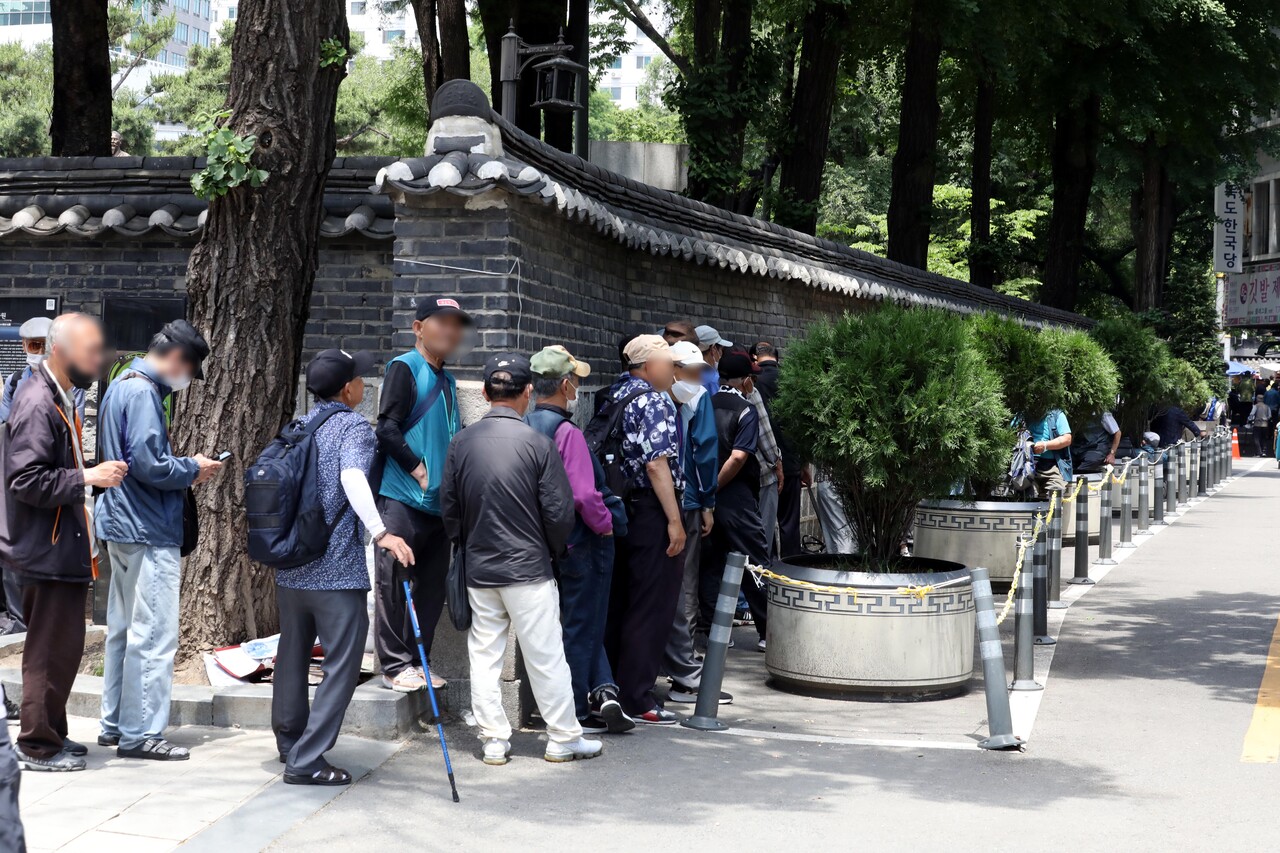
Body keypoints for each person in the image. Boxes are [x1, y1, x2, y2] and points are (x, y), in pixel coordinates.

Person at [442, 354, 602, 765]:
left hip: (480, 567)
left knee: (484, 654)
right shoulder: (538, 443)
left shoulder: (461, 442)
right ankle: (563, 737)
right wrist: (553, 550)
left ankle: (494, 739)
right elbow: (559, 513)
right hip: (529, 568)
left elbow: (450, 508)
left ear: (484, 393)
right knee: (546, 654)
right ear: (528, 393)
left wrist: (465, 544)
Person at [273, 350, 415, 785]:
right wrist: (381, 533)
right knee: (341, 665)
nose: (362, 385)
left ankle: (290, 744)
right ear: (348, 388)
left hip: (291, 565)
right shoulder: (353, 426)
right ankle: (308, 760)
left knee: (292, 657)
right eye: (360, 378)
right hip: (335, 570)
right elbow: (353, 478)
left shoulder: (298, 425)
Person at [0, 314, 128, 772]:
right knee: (48, 651)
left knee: (64, 646)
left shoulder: (56, 394)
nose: (98, 358)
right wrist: (87, 477)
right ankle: (37, 745)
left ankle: (52, 732)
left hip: (58, 543)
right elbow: (25, 479)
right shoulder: (38, 401)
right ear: (59, 350)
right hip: (45, 547)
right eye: (90, 350)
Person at [94, 320, 223, 761]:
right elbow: (150, 464)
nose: (186, 380)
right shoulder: (145, 392)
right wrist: (193, 468)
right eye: (189, 369)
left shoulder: (119, 382)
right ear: (177, 359)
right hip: (148, 527)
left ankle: (115, 724)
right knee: (153, 636)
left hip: (120, 523)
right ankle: (142, 733)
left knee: (123, 631)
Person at [526, 345, 633, 735]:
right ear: (566, 385)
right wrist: (604, 523)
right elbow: (584, 495)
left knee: (574, 623)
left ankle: (603, 691)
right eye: (576, 382)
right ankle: (575, 707)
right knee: (583, 624)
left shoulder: (527, 426)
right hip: (583, 540)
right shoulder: (566, 431)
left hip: (548, 541)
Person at [374, 296, 468, 693]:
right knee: (395, 580)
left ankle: (418, 661)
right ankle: (395, 666)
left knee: (430, 587)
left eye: (456, 324)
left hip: (438, 506)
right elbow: (387, 428)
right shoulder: (405, 367)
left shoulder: (446, 379)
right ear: (418, 328)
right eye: (441, 322)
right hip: (403, 497)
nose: (450, 331)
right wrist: (418, 468)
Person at [603, 335, 687, 725]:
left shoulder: (614, 394)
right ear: (647, 366)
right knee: (651, 604)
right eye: (667, 362)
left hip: (620, 510)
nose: (673, 369)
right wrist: (674, 520)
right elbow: (657, 465)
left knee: (621, 600)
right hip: (652, 510)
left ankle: (612, 688)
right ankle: (638, 696)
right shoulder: (653, 400)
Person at [661, 341, 728, 705]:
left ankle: (663, 667)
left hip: (654, 504)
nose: (697, 377)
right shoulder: (699, 398)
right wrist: (707, 503)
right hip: (684, 502)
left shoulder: (649, 394)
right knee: (684, 585)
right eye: (691, 370)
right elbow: (705, 450)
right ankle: (684, 673)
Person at [701, 350, 770, 651]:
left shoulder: (704, 406)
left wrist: (706, 491)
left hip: (704, 498)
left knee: (711, 564)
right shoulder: (745, 411)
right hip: (735, 498)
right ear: (744, 381)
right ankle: (768, 630)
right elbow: (740, 456)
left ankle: (716, 632)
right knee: (756, 562)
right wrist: (716, 487)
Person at [753, 342, 803, 558]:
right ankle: (792, 572)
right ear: (777, 357)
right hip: (792, 461)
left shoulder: (753, 382)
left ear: (755, 358)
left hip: (763, 464)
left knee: (764, 522)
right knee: (790, 523)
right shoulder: (792, 379)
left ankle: (768, 570)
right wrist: (805, 464)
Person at [1, 316, 84, 424]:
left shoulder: (70, 383)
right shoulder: (13, 382)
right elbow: (5, 423)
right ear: (24, 346)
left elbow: (75, 423)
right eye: (34, 345)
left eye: (46, 346)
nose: (41, 352)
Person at [1027, 408, 1073, 496]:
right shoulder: (1022, 415)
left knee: (1055, 497)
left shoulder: (1056, 415)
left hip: (1052, 467)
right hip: (1028, 466)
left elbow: (1067, 439)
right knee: (1027, 496)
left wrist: (1045, 445)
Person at [695, 325, 732, 397]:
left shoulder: (685, 373)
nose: (721, 354)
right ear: (713, 348)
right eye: (721, 349)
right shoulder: (714, 380)